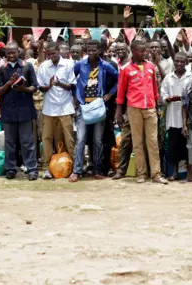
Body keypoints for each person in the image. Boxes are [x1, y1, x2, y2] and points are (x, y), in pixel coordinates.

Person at [115, 40, 168, 184]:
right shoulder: (126, 69)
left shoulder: (151, 67)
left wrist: (157, 106)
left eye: (145, 50)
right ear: (133, 51)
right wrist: (119, 112)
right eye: (140, 51)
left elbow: (155, 88)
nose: (144, 53)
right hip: (134, 108)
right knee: (137, 142)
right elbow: (121, 92)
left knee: (152, 141)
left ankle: (156, 174)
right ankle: (141, 173)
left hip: (150, 107)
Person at [70, 40, 118, 182]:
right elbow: (71, 79)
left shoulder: (105, 65)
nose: (91, 53)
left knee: (98, 140)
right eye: (89, 50)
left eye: (94, 50)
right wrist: (75, 96)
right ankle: (77, 171)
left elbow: (118, 79)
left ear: (99, 51)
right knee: (80, 140)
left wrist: (110, 93)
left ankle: (97, 169)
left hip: (99, 108)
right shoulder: (80, 65)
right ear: (85, 50)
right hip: (84, 107)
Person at [0, 42, 40, 181]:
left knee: (27, 142)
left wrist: (23, 89)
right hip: (8, 110)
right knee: (10, 142)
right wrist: (9, 83)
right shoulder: (2, 69)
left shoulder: (27, 66)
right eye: (8, 52)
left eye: (13, 52)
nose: (11, 55)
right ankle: (10, 169)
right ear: (5, 53)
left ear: (18, 52)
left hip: (25, 109)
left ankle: (31, 169)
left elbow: (35, 87)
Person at [36, 42, 76, 179]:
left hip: (65, 107)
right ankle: (48, 167)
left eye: (54, 53)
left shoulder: (69, 64)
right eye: (49, 54)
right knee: (47, 138)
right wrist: (48, 85)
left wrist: (58, 83)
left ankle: (73, 167)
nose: (51, 56)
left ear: (59, 51)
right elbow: (40, 87)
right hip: (49, 108)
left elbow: (72, 86)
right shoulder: (44, 66)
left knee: (69, 138)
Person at [161, 53, 192, 180]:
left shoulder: (190, 77)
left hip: (188, 116)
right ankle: (173, 172)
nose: (179, 64)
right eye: (177, 61)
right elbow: (163, 94)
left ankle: (184, 172)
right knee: (173, 146)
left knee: (185, 146)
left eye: (182, 61)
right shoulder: (168, 77)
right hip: (173, 116)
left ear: (186, 62)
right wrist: (167, 99)